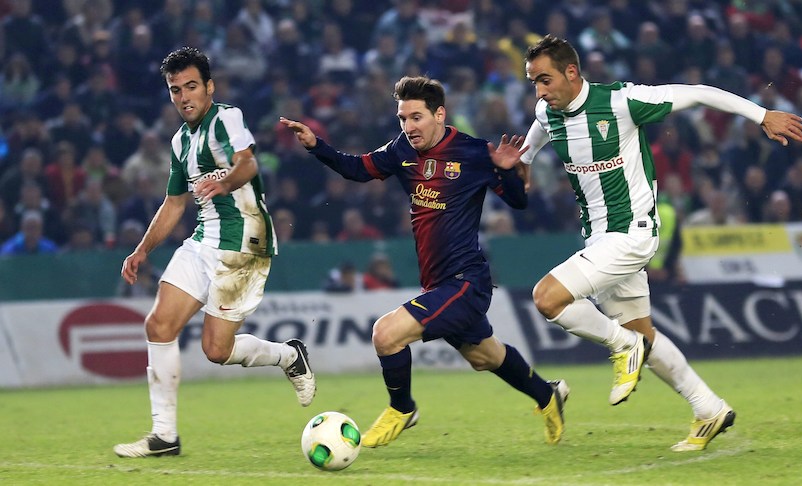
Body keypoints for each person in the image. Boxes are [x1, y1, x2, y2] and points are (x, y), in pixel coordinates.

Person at [508, 35, 802, 452]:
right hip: (599, 238)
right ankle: (709, 409)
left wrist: (761, 115)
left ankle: (623, 346)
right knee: (643, 334)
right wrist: (524, 159)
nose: (539, 91)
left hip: (632, 234)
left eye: (545, 80)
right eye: (533, 82)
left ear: (571, 72)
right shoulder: (547, 111)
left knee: (547, 298)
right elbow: (540, 128)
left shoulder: (622, 102)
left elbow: (699, 93)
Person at [280, 75, 569, 447]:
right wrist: (316, 145)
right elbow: (358, 169)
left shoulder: (473, 151)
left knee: (386, 334)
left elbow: (518, 200)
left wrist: (506, 169)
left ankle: (402, 408)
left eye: (416, 117)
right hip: (437, 283)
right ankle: (547, 395)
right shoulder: (402, 149)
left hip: (466, 282)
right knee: (485, 356)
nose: (408, 126)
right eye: (403, 118)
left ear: (439, 115)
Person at [113, 47, 316, 458]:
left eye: (191, 87)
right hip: (203, 239)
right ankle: (164, 436)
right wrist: (141, 250)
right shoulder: (180, 141)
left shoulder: (227, 118)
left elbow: (248, 164)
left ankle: (289, 356)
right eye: (175, 90)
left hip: (244, 243)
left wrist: (224, 184)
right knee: (158, 326)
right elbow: (174, 203)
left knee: (216, 351)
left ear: (209, 87)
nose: (184, 97)